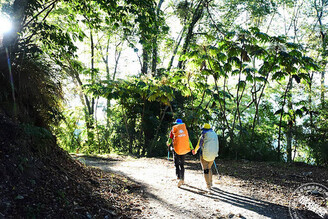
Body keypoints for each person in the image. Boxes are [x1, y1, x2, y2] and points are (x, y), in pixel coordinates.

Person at [167, 118, 194, 188]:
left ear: (176, 124)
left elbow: (170, 140)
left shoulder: (173, 130)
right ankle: (183, 178)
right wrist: (192, 148)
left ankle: (178, 177)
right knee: (182, 164)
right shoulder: (185, 131)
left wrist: (168, 143)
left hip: (176, 149)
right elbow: (188, 140)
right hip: (184, 150)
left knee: (176, 164)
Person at [193, 123, 219, 191]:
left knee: (205, 170)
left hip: (205, 155)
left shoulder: (203, 135)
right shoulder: (214, 134)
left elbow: (199, 144)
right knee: (209, 168)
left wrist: (195, 151)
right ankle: (211, 182)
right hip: (213, 155)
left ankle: (208, 186)